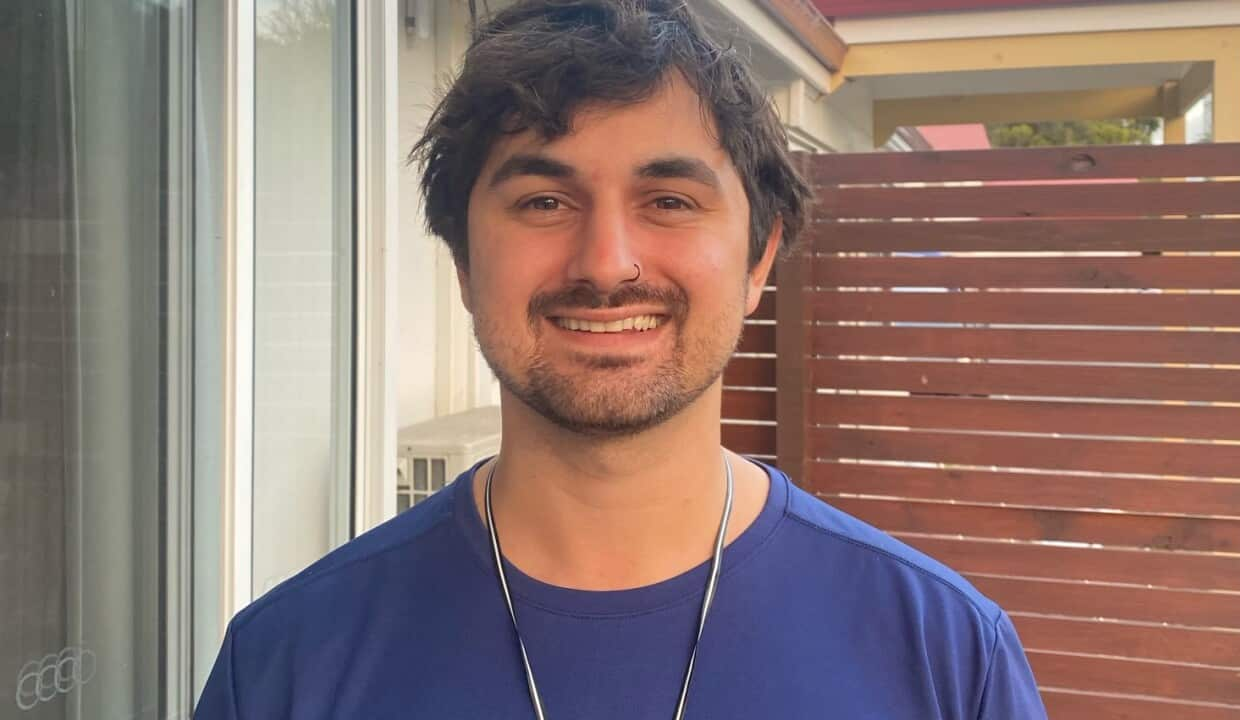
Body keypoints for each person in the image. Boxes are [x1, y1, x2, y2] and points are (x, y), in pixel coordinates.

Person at [194, 0, 1048, 717]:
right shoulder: (284, 667)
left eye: (669, 200)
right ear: (462, 262)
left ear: (758, 259)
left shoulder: (945, 658)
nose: (606, 263)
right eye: (543, 200)